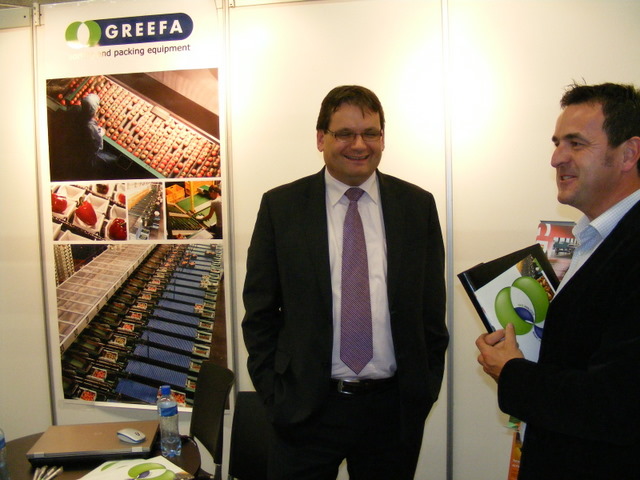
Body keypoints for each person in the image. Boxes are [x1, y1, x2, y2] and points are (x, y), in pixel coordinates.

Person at [242, 85, 448, 480]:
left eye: (370, 133)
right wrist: (276, 395)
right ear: (321, 138)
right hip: (305, 410)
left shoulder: (416, 206)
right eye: (345, 134)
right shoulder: (281, 207)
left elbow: (430, 311)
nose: (359, 145)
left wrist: (423, 390)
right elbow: (260, 313)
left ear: (383, 138)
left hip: (391, 415)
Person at [476, 82, 640, 479]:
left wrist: (512, 371)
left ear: (629, 154)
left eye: (576, 144)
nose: (556, 158)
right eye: (556, 143)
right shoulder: (592, 239)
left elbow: (618, 404)